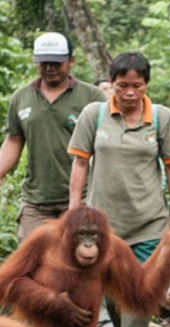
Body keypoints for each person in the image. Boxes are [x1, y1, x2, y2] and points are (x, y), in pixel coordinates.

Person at [67, 52, 170, 327]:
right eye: (122, 86)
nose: (130, 92)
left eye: (137, 85)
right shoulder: (94, 114)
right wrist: (74, 208)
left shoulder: (161, 118)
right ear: (111, 84)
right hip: (104, 221)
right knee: (110, 287)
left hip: (148, 218)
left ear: (146, 84)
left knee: (139, 284)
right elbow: (79, 162)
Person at [0, 32, 106, 241]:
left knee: (81, 260)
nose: (50, 68)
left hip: (82, 197)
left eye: (56, 63)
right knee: (33, 262)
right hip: (36, 200)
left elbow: (107, 143)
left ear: (71, 61)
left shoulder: (92, 97)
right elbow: (13, 141)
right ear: (35, 62)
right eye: (44, 63)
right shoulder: (22, 97)